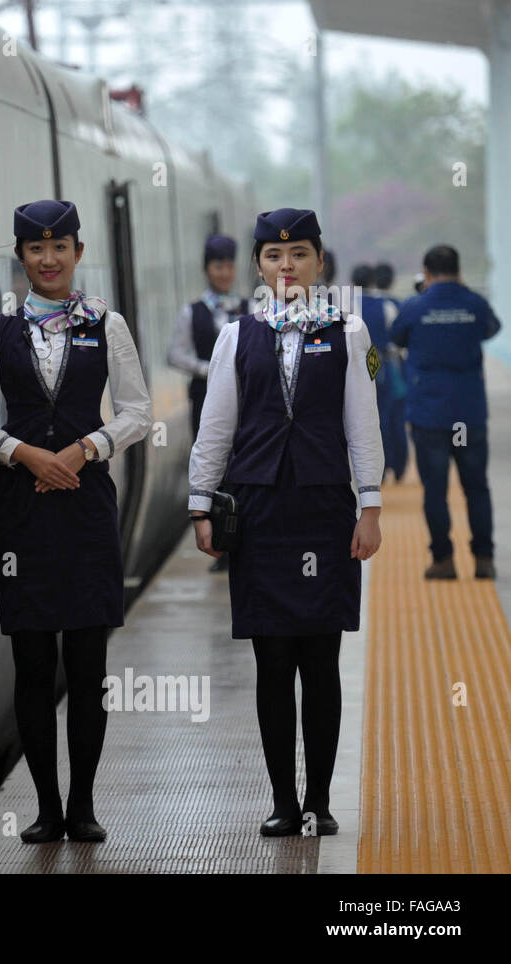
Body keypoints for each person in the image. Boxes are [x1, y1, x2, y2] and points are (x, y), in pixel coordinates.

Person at [0, 199, 152, 843]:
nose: (48, 259)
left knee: (88, 664)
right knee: (32, 661)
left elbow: (137, 411)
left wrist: (84, 448)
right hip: (22, 509)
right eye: (36, 250)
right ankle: (45, 807)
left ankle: (84, 804)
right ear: (20, 257)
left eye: (59, 248)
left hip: (86, 505)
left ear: (78, 252)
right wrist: (24, 453)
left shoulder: (107, 324)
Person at [188, 209, 383, 837]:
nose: (287, 266)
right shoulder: (235, 336)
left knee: (321, 658)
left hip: (325, 507)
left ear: (319, 262)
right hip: (260, 507)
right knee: (272, 659)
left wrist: (371, 504)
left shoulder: (348, 332)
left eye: (298, 254)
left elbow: (362, 422)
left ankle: (320, 801)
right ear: (259, 266)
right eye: (274, 257)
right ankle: (281, 799)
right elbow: (217, 425)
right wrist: (201, 503)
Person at [390, 244, 501, 579]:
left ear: (426, 272)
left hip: (430, 415)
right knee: (476, 488)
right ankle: (484, 560)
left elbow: (397, 338)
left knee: (435, 491)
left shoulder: (415, 306)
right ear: (458, 270)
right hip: (468, 413)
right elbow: (492, 329)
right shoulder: (474, 304)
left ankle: (443, 561)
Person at [168, 233, 248, 572]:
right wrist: (208, 369)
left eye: (229, 265)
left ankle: (243, 539)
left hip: (247, 401)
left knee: (242, 463)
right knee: (214, 463)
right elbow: (175, 354)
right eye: (218, 266)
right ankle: (220, 542)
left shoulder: (249, 309)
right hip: (205, 398)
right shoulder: (193, 312)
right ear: (206, 270)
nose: (225, 272)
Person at [353, 264, 408, 481]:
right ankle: (398, 465)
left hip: (359, 365)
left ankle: (377, 469)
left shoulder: (348, 304)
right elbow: (399, 340)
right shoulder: (388, 305)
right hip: (386, 364)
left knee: (365, 419)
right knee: (392, 415)